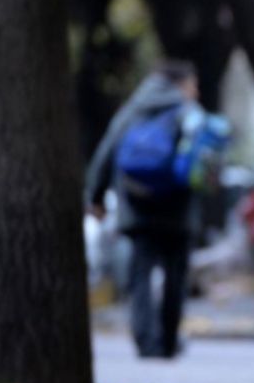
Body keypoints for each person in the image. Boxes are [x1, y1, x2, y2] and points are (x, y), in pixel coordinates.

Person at [85, 60, 203, 359]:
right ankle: (168, 340)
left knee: (139, 276)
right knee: (175, 277)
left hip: (137, 206)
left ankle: (146, 341)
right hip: (177, 208)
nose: (196, 91)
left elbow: (106, 153)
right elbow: (204, 158)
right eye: (193, 84)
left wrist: (96, 198)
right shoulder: (188, 112)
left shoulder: (132, 110)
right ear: (181, 84)